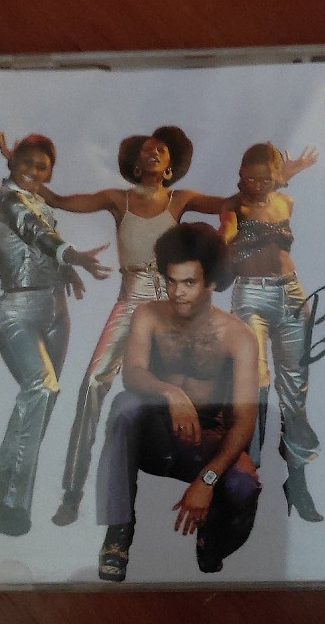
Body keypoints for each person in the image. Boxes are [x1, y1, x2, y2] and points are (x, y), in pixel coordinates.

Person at [0, 129, 314, 527]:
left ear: (170, 165)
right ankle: (72, 493)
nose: (154, 151)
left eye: (161, 149)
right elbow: (57, 200)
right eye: (146, 149)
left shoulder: (180, 199)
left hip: (169, 302)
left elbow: (237, 200)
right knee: (93, 382)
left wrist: (278, 179)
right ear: (134, 163)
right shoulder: (118, 199)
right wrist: (18, 167)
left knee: (204, 380)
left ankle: (221, 482)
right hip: (131, 299)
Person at [95, 222, 260, 581]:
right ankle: (119, 532)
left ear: (211, 283)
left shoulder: (239, 337)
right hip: (156, 434)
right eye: (171, 281)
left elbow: (245, 420)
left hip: (206, 441)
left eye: (189, 283)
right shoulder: (148, 315)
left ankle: (211, 541)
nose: (177, 293)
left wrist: (207, 480)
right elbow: (132, 373)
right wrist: (171, 393)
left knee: (244, 484)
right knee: (125, 406)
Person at [0, 134, 110, 536]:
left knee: (41, 403)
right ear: (13, 164)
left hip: (56, 310)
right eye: (27, 162)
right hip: (18, 309)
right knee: (41, 387)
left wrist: (66, 271)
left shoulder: (37, 198)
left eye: (43, 167)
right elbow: (37, 232)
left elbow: (42, 235)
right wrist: (73, 256)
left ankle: (3, 492)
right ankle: (10, 504)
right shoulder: (9, 201)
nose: (34, 171)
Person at [219, 142, 323, 522]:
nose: (256, 185)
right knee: (256, 382)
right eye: (249, 178)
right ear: (240, 175)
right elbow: (226, 236)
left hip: (291, 293)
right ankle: (248, 474)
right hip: (251, 295)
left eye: (264, 180)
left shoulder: (285, 203)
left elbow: (278, 183)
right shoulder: (233, 207)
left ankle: (297, 479)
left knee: (295, 391)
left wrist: (284, 175)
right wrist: (227, 242)